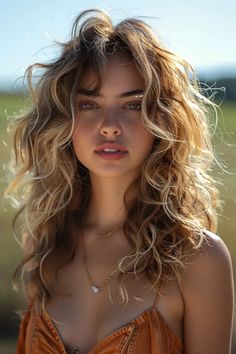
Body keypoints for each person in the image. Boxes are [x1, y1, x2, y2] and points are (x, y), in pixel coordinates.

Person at [7, 8, 234, 354]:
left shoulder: (199, 259)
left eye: (132, 105)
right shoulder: (43, 244)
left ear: (163, 120)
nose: (109, 125)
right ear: (63, 119)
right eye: (89, 104)